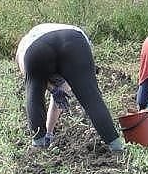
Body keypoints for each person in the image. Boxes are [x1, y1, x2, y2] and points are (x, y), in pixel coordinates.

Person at [16, 23, 124, 151]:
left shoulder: (24, 47)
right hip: (74, 40)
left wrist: (53, 89)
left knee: (34, 93)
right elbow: (67, 84)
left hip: (37, 48)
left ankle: (39, 145)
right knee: (91, 97)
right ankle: (116, 145)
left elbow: (33, 79)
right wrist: (54, 89)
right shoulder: (52, 32)